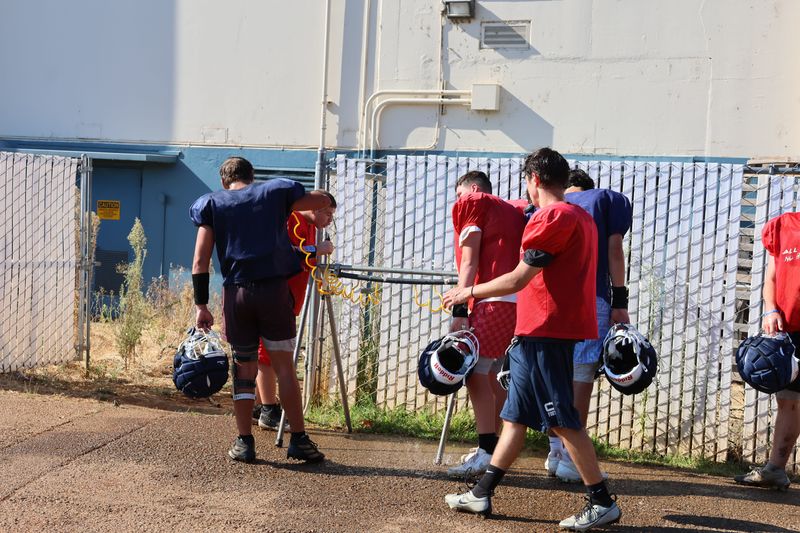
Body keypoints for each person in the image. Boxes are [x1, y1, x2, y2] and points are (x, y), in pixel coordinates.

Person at [442, 148, 621, 530]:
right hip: (533, 332)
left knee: (563, 420)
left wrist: (468, 292)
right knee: (514, 417)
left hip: (547, 330)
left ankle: (602, 501)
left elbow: (519, 278)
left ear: (534, 180)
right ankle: (481, 493)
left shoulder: (554, 216)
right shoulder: (580, 216)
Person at [190, 156, 330, 464]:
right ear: (251, 177)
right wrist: (324, 202)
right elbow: (320, 200)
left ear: (224, 182)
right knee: (284, 369)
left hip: (236, 293)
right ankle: (299, 440)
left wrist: (201, 305)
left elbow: (200, 262)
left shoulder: (213, 204)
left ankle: (244, 442)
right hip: (273, 291)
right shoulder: (273, 194)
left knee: (244, 370)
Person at [546, 169, 632, 483]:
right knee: (580, 376)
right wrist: (620, 300)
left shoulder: (549, 203)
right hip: (588, 297)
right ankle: (571, 459)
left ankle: (556, 450)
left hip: (549, 301)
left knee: (553, 375)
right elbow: (614, 250)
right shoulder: (604, 201)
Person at [446, 171, 526, 478]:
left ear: (474, 189)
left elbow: (469, 261)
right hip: (513, 301)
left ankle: (487, 452)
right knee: (491, 373)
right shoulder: (511, 210)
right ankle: (495, 446)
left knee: (475, 374)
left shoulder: (476, 203)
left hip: (491, 300)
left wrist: (458, 309)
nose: (458, 203)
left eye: (459, 195)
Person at [254, 192, 337, 430]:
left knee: (272, 351)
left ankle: (261, 405)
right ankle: (269, 410)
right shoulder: (290, 219)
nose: (329, 220)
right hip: (277, 294)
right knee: (268, 352)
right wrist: (316, 249)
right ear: (316, 208)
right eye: (328, 214)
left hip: (290, 296)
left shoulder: (309, 225)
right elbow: (285, 253)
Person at [733, 211, 800, 491]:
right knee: (788, 400)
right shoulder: (785, 226)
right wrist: (771, 309)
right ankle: (775, 469)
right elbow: (772, 277)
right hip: (791, 328)